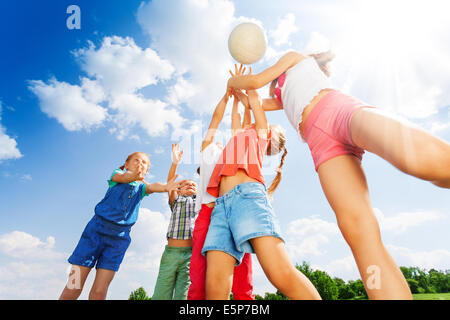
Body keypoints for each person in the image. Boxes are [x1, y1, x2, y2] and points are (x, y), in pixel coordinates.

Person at [227, 51, 450, 299]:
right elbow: (253, 101)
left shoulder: (296, 58)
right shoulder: (282, 96)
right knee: (359, 234)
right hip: (322, 146)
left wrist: (233, 82)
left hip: (338, 112)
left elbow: (255, 81)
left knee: (420, 160)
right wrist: (240, 94)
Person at [202, 65, 321, 300]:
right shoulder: (241, 133)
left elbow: (253, 101)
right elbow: (237, 114)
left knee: (280, 273)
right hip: (221, 207)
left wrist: (244, 81)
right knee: (214, 286)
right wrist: (235, 93)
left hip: (248, 198)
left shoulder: (261, 133)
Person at [60, 152, 180, 300]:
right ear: (126, 164)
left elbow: (154, 187)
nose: (140, 164)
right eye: (136, 160)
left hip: (118, 240)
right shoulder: (116, 175)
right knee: (74, 285)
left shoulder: (142, 187)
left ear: (147, 170)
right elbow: (125, 177)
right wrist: (134, 176)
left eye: (144, 163)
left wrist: (165, 187)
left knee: (99, 292)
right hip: (94, 234)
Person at [188, 87, 254, 300]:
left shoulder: (235, 153)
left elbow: (244, 124)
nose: (219, 140)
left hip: (235, 214)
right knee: (199, 277)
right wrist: (227, 97)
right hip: (208, 215)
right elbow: (215, 121)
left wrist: (238, 101)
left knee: (242, 277)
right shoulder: (208, 151)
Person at [152, 144, 198, 300]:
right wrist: (175, 163)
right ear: (179, 190)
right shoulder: (177, 200)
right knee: (161, 292)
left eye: (194, 184)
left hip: (191, 255)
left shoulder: (200, 203)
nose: (191, 185)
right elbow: (170, 182)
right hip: (171, 253)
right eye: (186, 184)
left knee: (183, 295)